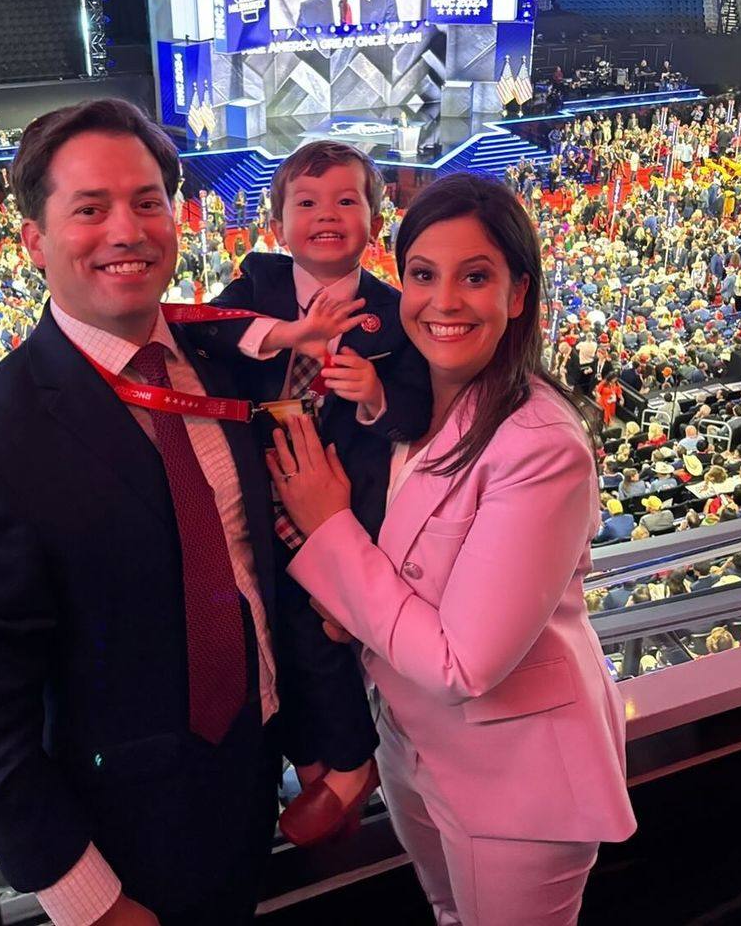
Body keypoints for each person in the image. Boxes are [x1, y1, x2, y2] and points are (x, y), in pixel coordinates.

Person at [0, 98, 368, 926]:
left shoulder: (227, 367)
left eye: (147, 201)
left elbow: (253, 579)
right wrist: (90, 901)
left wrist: (328, 740)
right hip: (119, 836)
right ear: (33, 240)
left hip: (254, 775)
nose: (126, 230)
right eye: (90, 209)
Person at [270, 174, 636, 925]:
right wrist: (349, 607)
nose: (443, 302)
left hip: (519, 781)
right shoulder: (415, 402)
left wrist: (328, 524)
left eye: (476, 277)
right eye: (423, 275)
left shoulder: (541, 444)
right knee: (446, 912)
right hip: (415, 749)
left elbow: (461, 661)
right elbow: (411, 575)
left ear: (519, 294)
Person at [193, 140, 431, 843]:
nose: (326, 214)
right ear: (276, 224)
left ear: (374, 221)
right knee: (275, 636)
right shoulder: (256, 290)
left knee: (323, 630)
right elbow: (195, 334)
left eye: (346, 200)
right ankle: (319, 759)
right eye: (306, 202)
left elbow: (420, 405)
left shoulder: (394, 313)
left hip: (349, 517)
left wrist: (378, 396)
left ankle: (351, 764)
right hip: (263, 512)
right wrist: (284, 335)